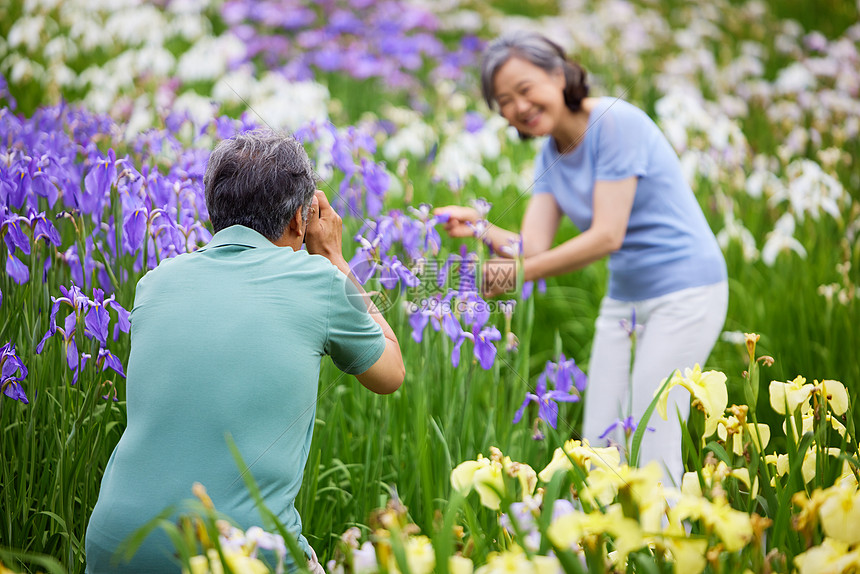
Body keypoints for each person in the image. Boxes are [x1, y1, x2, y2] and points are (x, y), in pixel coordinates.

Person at [85, 130, 404, 573]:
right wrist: (334, 256)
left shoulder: (155, 282)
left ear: (214, 211)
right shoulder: (319, 281)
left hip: (114, 546)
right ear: (300, 219)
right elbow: (391, 371)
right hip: (235, 553)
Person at [436, 31, 728, 483]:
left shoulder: (614, 123)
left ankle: (666, 546)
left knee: (652, 437)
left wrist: (517, 274)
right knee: (598, 445)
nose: (519, 107)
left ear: (559, 74)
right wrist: (479, 227)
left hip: (687, 294)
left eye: (525, 89)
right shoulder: (550, 153)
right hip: (626, 300)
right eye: (504, 101)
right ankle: (605, 551)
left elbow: (606, 236)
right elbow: (531, 246)